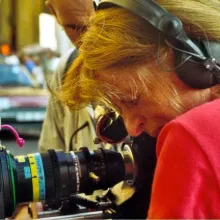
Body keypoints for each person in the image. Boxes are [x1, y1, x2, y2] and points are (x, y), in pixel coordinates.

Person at [57, 0, 220, 218]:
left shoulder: (190, 136)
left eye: (133, 100)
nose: (133, 129)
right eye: (118, 110)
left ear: (192, 59)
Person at [39, 0, 100, 153]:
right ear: (54, 12)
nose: (90, 38)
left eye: (99, 24)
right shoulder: (65, 70)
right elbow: (50, 161)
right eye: (75, 28)